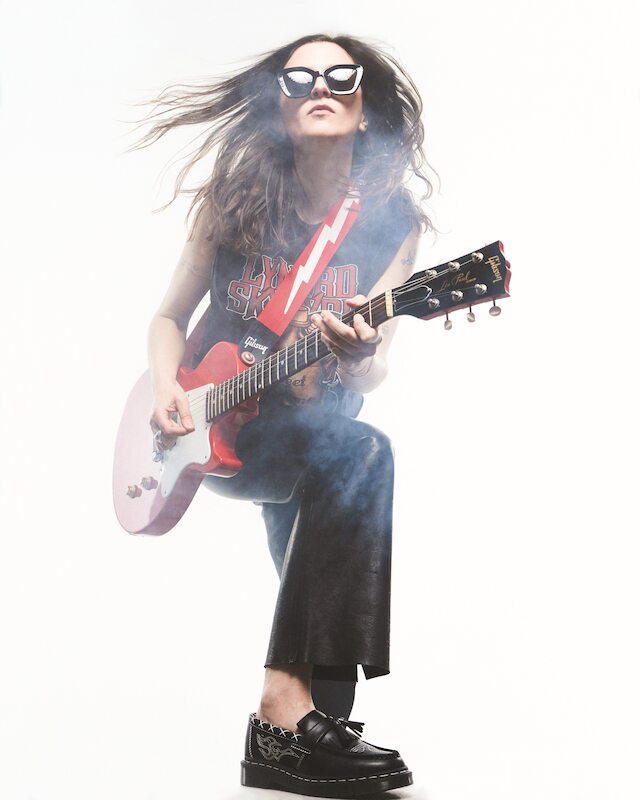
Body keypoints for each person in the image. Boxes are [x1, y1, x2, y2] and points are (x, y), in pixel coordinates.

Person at [140, 32, 435, 796]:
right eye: (300, 77)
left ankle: (304, 733)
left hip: (318, 428)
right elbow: (169, 316)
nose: (321, 86)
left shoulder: (391, 221)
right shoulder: (234, 199)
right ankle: (282, 711)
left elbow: (373, 371)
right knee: (362, 456)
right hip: (218, 429)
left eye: (341, 74)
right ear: (279, 101)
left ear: (365, 104)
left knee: (350, 460)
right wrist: (167, 384)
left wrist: (357, 351)